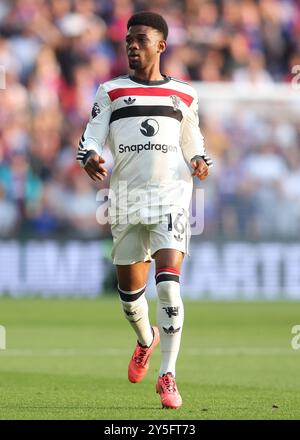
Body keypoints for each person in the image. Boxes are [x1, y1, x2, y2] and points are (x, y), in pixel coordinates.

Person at [76, 11, 212, 409]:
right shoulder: (111, 91)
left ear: (160, 45)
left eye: (140, 39)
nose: (132, 46)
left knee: (168, 286)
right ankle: (146, 339)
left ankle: (167, 375)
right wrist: (89, 157)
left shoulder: (184, 95)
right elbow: (91, 138)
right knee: (130, 297)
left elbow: (194, 142)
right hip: (125, 203)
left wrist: (201, 161)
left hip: (171, 200)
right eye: (128, 41)